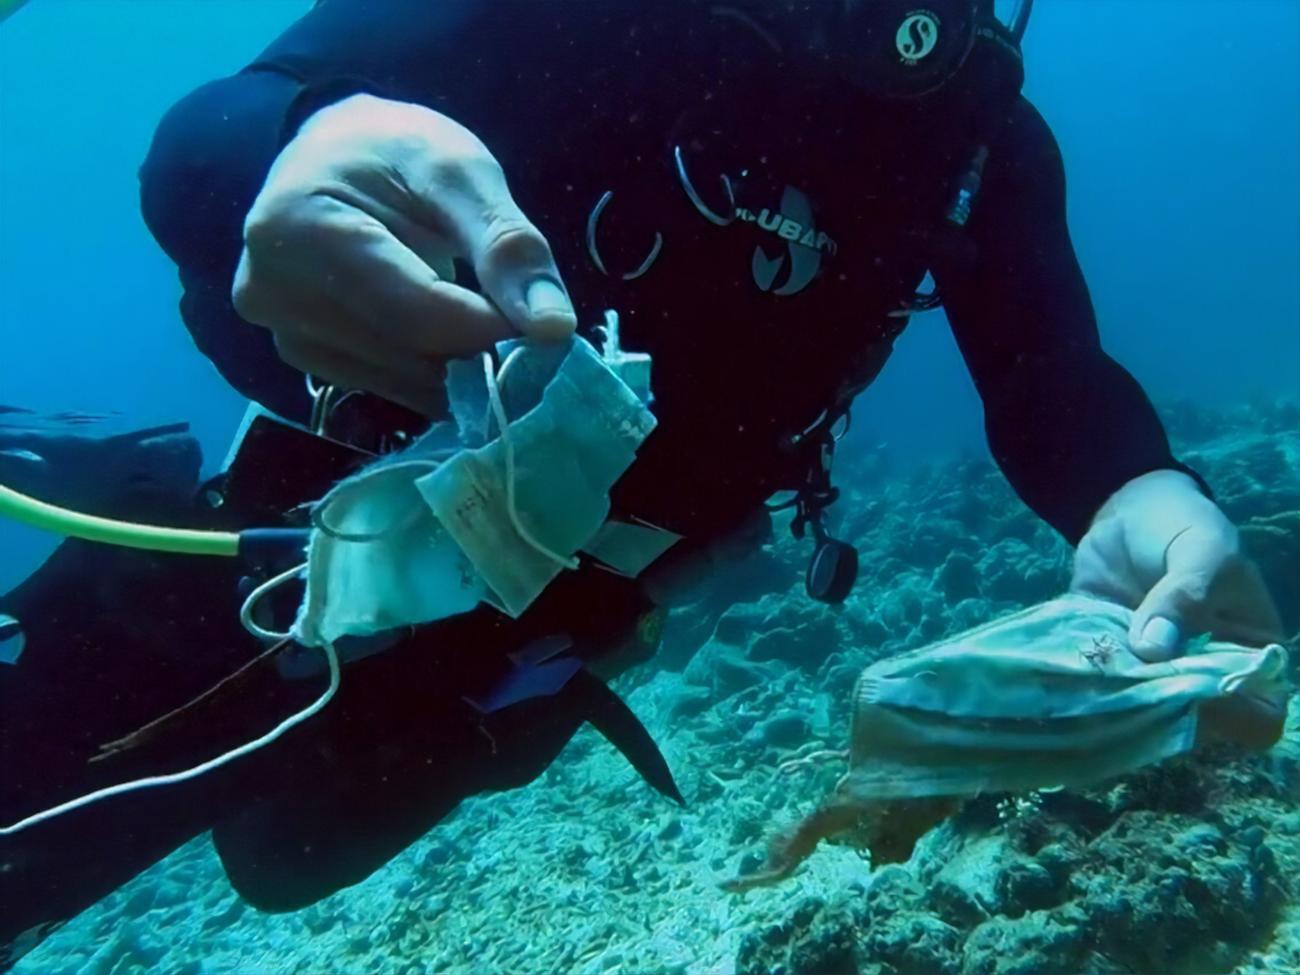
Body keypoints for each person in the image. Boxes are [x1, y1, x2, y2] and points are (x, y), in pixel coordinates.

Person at [0, 0, 1285, 966]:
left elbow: (1051, 379)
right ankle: (87, 483)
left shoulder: (979, 146)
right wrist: (306, 140)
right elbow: (212, 134)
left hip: (546, 637)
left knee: (292, 856)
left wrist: (1138, 490)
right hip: (285, 558)